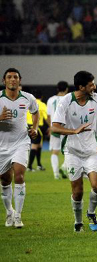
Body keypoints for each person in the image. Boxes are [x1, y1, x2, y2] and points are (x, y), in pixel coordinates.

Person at [51, 70, 97, 232]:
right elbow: (54, 127)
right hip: (72, 152)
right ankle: (78, 222)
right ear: (81, 87)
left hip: (91, 151)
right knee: (78, 191)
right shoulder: (66, 101)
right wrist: (74, 131)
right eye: (91, 85)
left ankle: (91, 212)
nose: (94, 87)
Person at [0, 68, 39, 228]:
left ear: (20, 80)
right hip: (2, 145)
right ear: (4, 81)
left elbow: (35, 112)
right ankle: (9, 211)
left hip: (21, 143)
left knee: (20, 176)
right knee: (4, 180)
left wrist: (35, 128)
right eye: (9, 77)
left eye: (15, 77)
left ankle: (18, 216)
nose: (12, 79)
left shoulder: (28, 98)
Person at [46, 81, 69, 179]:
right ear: (66, 89)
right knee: (70, 151)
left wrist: (51, 126)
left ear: (57, 89)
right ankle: (64, 167)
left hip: (54, 128)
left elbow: (48, 116)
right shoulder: (68, 99)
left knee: (55, 152)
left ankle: (56, 174)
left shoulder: (50, 100)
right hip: (66, 128)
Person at [26, 92, 49, 172]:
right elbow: (46, 117)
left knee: (39, 146)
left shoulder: (28, 103)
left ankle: (39, 165)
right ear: (42, 97)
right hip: (36, 127)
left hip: (26, 126)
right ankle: (29, 166)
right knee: (35, 146)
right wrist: (51, 126)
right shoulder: (42, 105)